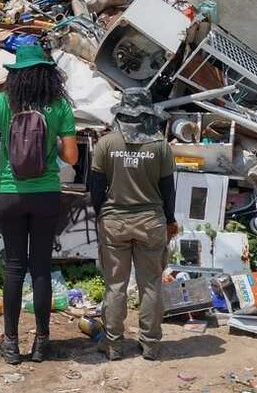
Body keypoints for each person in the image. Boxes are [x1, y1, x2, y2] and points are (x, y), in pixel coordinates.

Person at [0, 44, 78, 364]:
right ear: (47, 73)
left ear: (16, 75)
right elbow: (72, 157)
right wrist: (55, 147)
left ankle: (12, 343)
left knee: (14, 268)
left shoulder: (1, 102)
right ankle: (43, 343)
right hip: (46, 194)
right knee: (41, 268)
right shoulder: (58, 105)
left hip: (11, 195)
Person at [89, 87, 178, 361]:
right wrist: (170, 220)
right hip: (151, 223)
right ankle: (150, 345)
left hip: (114, 222)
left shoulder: (106, 144)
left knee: (115, 285)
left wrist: (101, 214)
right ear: (148, 113)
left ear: (122, 112)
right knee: (150, 283)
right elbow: (168, 190)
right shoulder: (160, 146)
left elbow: (95, 188)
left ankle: (114, 346)